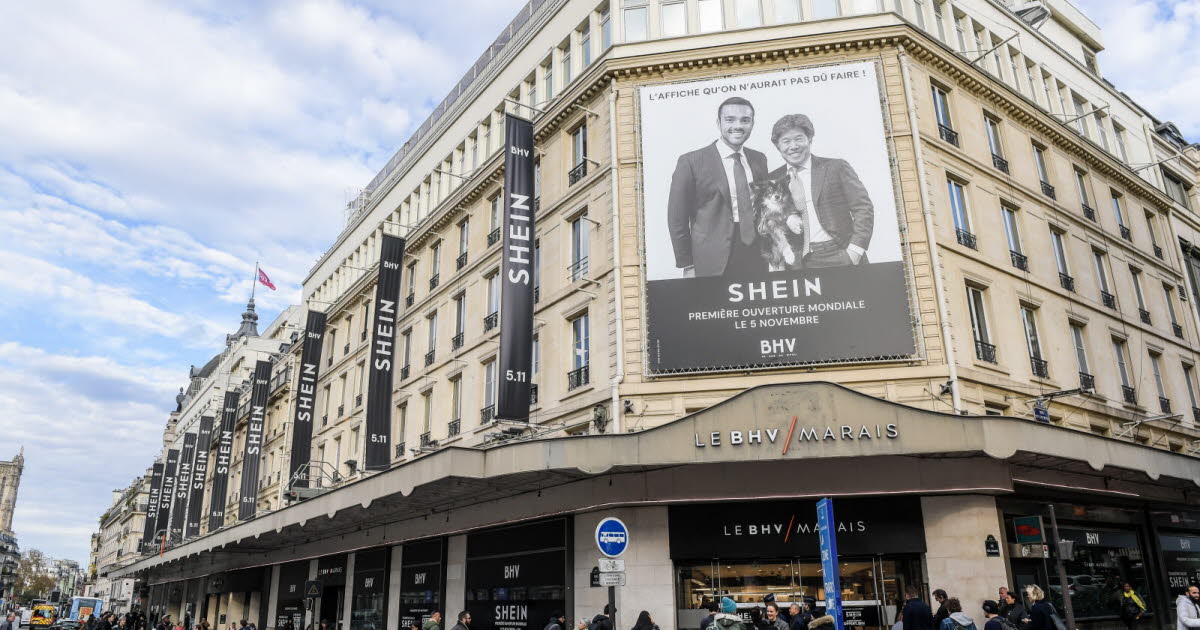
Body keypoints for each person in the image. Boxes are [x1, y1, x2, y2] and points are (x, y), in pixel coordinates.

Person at [667, 96, 770, 278]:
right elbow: (677, 218)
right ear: (718, 122)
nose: (738, 126)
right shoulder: (691, 162)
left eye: (745, 120)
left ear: (752, 124)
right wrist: (687, 263)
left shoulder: (759, 159)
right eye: (730, 119)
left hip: (756, 252)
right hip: (711, 259)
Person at [765, 113, 874, 269]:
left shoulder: (836, 167)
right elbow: (767, 219)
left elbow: (863, 208)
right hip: (797, 262)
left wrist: (855, 251)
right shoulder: (773, 179)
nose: (793, 146)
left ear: (809, 139)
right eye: (786, 141)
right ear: (778, 146)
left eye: (798, 139)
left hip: (839, 252)